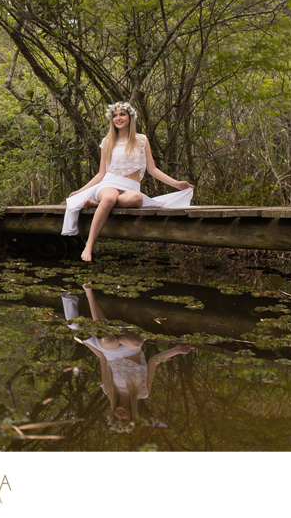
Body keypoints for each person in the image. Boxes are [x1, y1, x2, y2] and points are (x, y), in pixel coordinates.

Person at [63, 101, 194, 261]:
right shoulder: (107, 141)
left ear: (130, 117)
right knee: (110, 197)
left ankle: (99, 205)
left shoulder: (141, 140)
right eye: (115, 115)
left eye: (122, 114)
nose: (118, 118)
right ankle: (89, 245)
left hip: (130, 187)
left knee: (136, 198)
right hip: (108, 184)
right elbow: (101, 174)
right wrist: (81, 191)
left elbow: (152, 170)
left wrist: (177, 184)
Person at [63, 284, 194, 430]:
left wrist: (85, 342)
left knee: (96, 335)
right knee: (135, 342)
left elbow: (102, 358)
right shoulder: (142, 392)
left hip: (109, 352)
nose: (119, 415)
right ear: (131, 416)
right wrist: (178, 349)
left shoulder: (108, 390)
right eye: (123, 419)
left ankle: (89, 292)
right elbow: (153, 362)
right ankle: (117, 334)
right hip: (131, 349)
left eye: (116, 417)